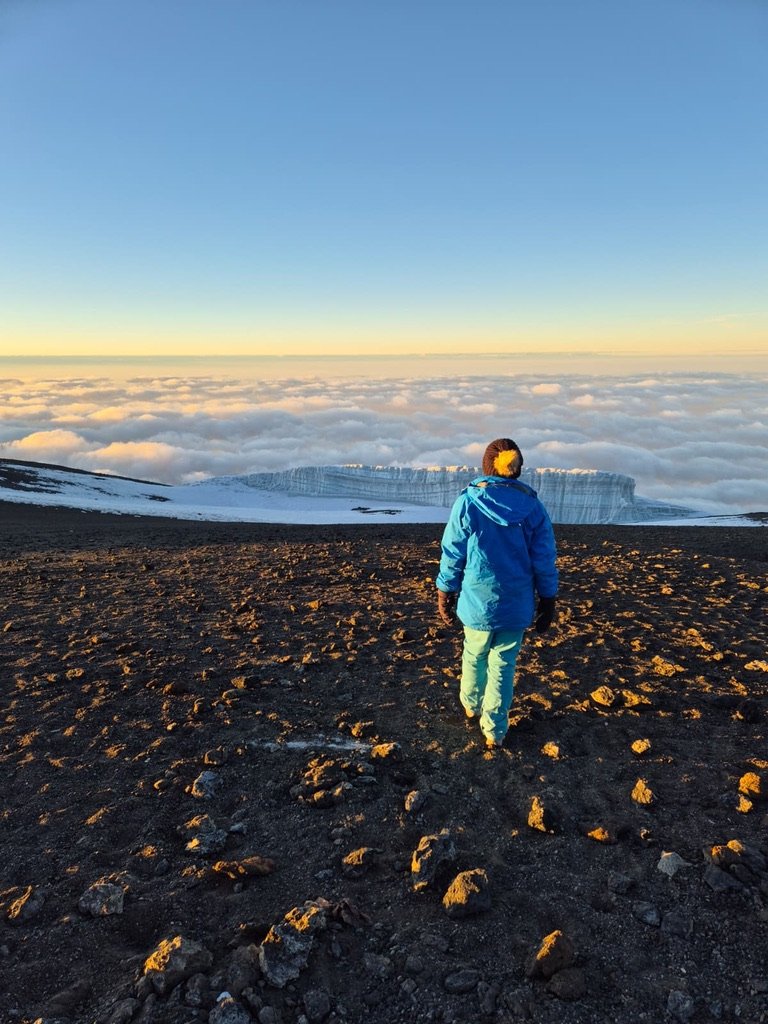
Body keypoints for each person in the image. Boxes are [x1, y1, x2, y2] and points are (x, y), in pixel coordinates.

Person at [435, 438, 558, 749]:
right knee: (503, 664)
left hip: (477, 602)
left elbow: (453, 551)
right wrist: (548, 598)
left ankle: (470, 704)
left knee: (474, 654)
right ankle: (495, 731)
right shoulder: (533, 507)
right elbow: (544, 557)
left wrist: (445, 590)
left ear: (488, 465)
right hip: (516, 605)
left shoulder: (469, 502)